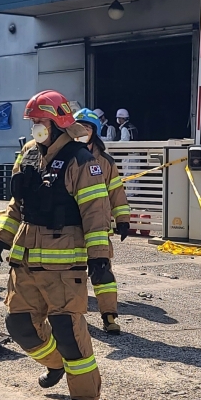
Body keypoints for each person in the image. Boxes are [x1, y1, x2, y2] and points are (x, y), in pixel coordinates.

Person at [0, 90, 112, 400]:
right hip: (25, 256)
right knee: (19, 325)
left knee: (67, 330)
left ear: (58, 123)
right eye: (33, 123)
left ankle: (86, 398)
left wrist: (100, 260)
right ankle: (55, 363)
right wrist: (1, 237)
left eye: (41, 122)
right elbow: (18, 204)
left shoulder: (81, 161)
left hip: (63, 262)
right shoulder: (28, 154)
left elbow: (96, 213)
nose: (36, 129)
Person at [74, 108, 131, 334]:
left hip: (98, 231)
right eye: (79, 128)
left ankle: (109, 317)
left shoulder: (105, 161)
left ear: (94, 132)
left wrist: (123, 219)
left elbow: (116, 192)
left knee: (103, 274)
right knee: (73, 276)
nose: (82, 132)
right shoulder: (67, 156)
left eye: (87, 128)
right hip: (71, 229)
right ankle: (74, 317)